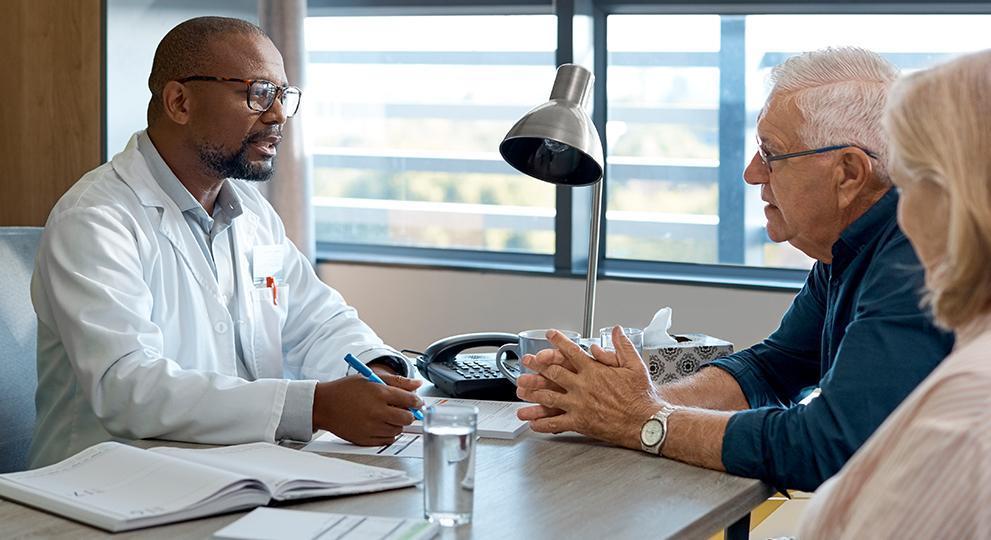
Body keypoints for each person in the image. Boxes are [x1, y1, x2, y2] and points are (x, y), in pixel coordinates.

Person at [515, 47, 954, 492]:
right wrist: (617, 402)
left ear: (849, 173)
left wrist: (643, 420)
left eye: (771, 153)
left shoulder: (918, 258)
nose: (751, 174)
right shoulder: (850, 244)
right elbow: (771, 368)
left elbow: (826, 445)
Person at [29, 16, 422, 469]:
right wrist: (316, 407)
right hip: (104, 489)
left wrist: (379, 372)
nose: (276, 115)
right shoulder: (96, 219)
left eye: (282, 96)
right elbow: (128, 387)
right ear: (180, 101)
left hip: (236, 475)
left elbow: (319, 321)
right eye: (258, 94)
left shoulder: (251, 213)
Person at [798, 48, 991, 538]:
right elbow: (777, 361)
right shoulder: (838, 258)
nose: (900, 214)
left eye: (906, 184)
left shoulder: (968, 413)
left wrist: (653, 423)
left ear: (955, 196)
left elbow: (831, 443)